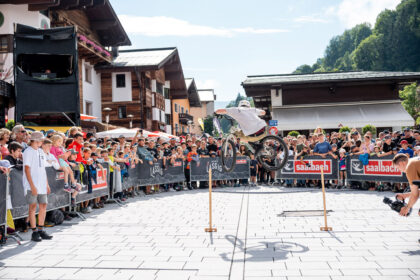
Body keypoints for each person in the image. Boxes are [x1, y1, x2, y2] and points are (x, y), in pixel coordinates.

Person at [22, 131, 53, 242]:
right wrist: (32, 185)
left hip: (41, 184)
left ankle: (40, 229)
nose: (42, 142)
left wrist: (47, 184)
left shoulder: (40, 151)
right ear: (35, 140)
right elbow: (27, 169)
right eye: (41, 140)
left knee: (43, 205)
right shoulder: (28, 152)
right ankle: (34, 231)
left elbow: (43, 168)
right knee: (33, 207)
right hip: (32, 185)